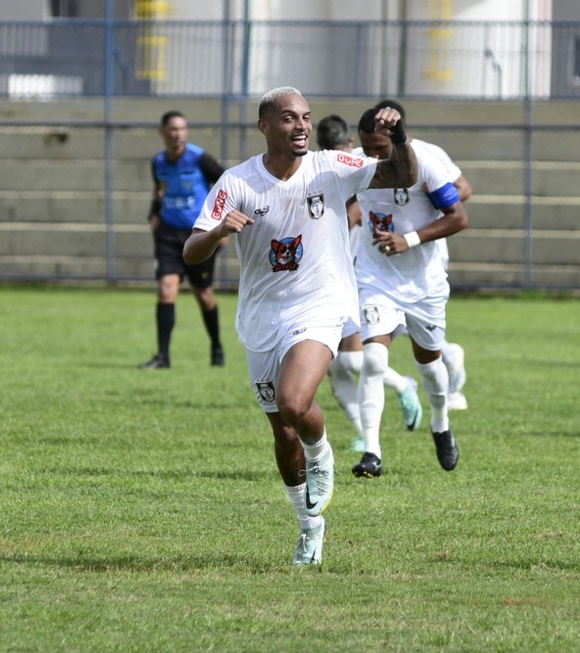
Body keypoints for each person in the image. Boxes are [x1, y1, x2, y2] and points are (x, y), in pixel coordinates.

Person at [183, 88, 418, 565]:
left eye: (306, 117)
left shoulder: (332, 166)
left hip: (321, 304)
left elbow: (402, 173)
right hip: (261, 316)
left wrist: (400, 135)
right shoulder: (236, 182)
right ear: (265, 126)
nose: (302, 126)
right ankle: (310, 527)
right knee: (282, 433)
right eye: (289, 118)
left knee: (295, 402)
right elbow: (191, 252)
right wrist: (218, 231)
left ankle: (323, 450)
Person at [350, 106, 469, 478]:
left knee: (430, 365)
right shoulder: (356, 164)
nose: (373, 157)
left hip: (424, 283)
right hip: (375, 277)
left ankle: (440, 422)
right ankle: (371, 451)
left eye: (380, 149)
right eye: (367, 148)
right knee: (372, 360)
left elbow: (459, 217)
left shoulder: (428, 163)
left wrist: (410, 239)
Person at [316, 114, 424, 454]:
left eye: (341, 149)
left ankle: (403, 384)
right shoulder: (322, 180)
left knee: (351, 362)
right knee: (335, 373)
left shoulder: (364, 181)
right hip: (323, 283)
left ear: (350, 147)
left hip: (357, 282)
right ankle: (363, 432)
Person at [374, 99, 471, 412]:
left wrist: (422, 216)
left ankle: (444, 357)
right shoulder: (371, 160)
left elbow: (462, 190)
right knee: (381, 324)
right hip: (385, 253)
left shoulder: (430, 154)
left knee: (413, 323)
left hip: (428, 251)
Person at [139, 110, 226, 370]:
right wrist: (154, 213)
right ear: (163, 132)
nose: (178, 134)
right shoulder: (158, 162)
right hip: (168, 234)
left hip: (198, 236)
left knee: (204, 295)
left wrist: (219, 228)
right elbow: (160, 190)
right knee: (166, 290)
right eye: (173, 129)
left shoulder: (200, 159)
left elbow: (227, 186)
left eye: (182, 129)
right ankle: (163, 356)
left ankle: (217, 347)